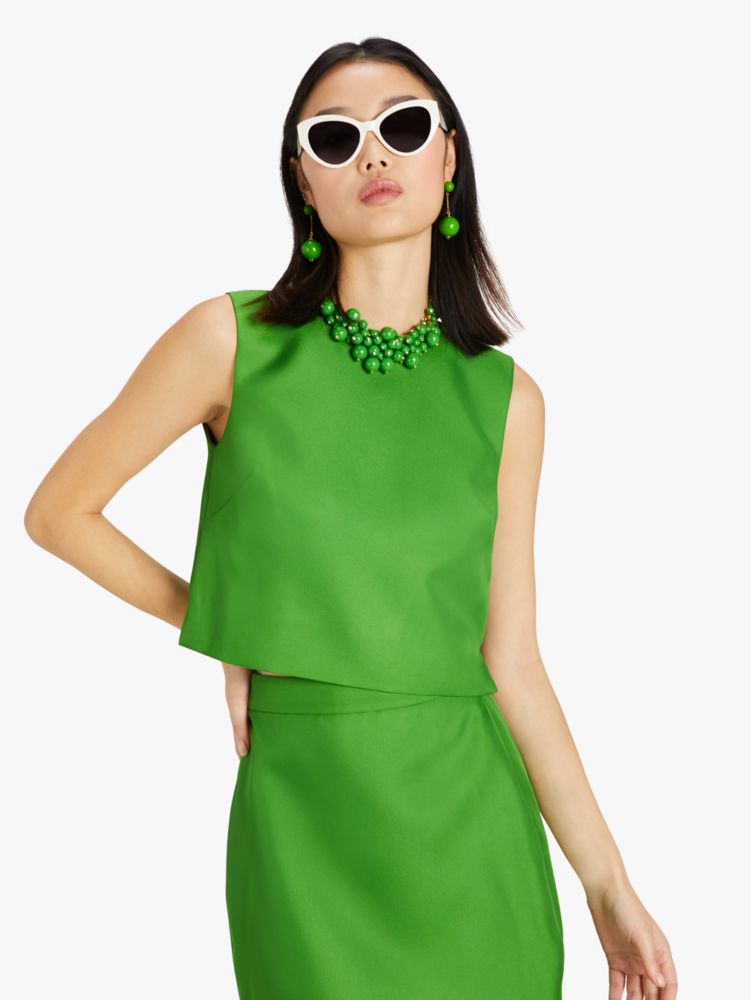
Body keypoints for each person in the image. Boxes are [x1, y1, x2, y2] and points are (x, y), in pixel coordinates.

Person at [24, 36, 678, 1000]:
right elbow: (60, 513)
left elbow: (512, 662)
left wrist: (608, 886)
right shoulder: (229, 341)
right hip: (305, 828)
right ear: (304, 181)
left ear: (447, 158)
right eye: (334, 138)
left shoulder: (507, 401)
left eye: (402, 127)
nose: (372, 153)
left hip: (474, 831)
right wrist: (230, 625)